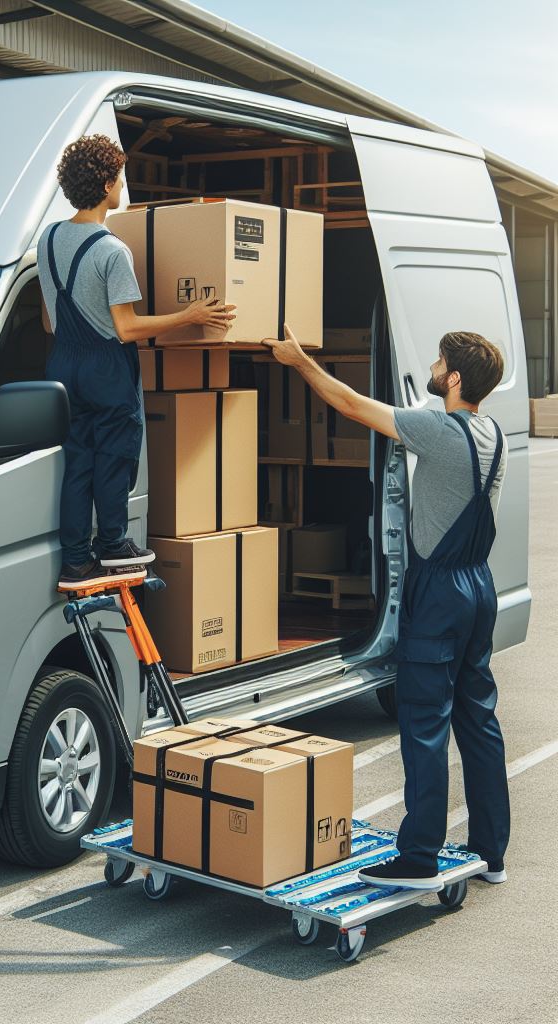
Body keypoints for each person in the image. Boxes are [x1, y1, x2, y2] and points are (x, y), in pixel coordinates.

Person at [262, 324, 510, 890]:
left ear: (451, 378)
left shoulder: (438, 430)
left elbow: (349, 403)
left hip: (441, 593)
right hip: (478, 587)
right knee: (479, 721)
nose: (432, 364)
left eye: (439, 360)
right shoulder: (490, 431)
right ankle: (491, 853)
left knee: (424, 724)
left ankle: (419, 857)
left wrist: (299, 361)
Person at [38, 134, 236, 591]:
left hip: (63, 363)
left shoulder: (50, 240)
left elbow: (49, 321)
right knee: (115, 458)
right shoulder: (112, 250)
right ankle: (112, 543)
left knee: (78, 464)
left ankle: (74, 561)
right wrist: (190, 315)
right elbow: (126, 329)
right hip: (107, 366)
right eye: (120, 178)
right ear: (106, 183)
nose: (123, 186)